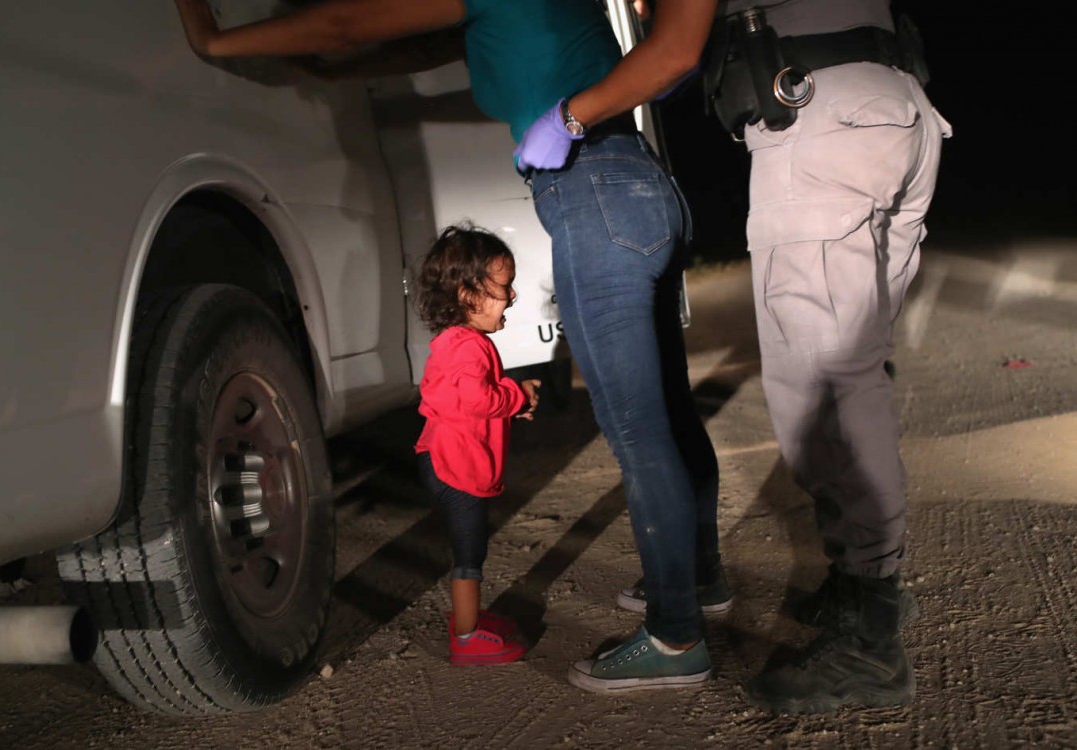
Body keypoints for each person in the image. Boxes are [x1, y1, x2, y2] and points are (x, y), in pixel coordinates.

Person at [173, 0, 727, 694]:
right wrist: (323, 68)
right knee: (669, 415)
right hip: (637, 184)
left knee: (639, 432)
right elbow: (421, 47)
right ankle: (697, 580)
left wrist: (219, 40)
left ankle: (675, 634)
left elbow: (345, 20)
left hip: (593, 191)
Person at [517, 0, 951, 714]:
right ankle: (860, 591)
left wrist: (570, 116)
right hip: (897, 104)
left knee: (825, 391)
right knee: (856, 372)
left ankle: (870, 640)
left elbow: (676, 47)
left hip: (821, 118)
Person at [412, 224, 538, 666]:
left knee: (470, 550)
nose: (513, 296)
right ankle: (465, 636)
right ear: (469, 296)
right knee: (470, 554)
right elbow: (475, 398)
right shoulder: (467, 346)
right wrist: (516, 395)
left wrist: (511, 401)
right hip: (456, 467)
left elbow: (466, 399)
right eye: (504, 287)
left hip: (442, 458)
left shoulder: (457, 342)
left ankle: (470, 618)